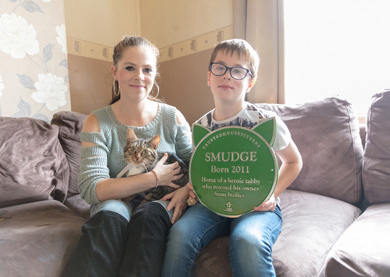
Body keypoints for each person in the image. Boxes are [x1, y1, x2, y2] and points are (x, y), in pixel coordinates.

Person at [161, 39, 303, 277]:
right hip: (210, 205)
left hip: (255, 205)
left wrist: (272, 194)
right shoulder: (201, 126)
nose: (227, 76)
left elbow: (293, 161)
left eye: (238, 70)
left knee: (248, 240)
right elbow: (205, 170)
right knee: (180, 234)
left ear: (250, 82)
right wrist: (190, 189)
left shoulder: (265, 122)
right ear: (209, 77)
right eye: (220, 68)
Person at [62, 35, 193, 277]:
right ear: (115, 71)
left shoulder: (172, 117)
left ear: (154, 74)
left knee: (149, 215)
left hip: (159, 205)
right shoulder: (97, 122)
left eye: (147, 69)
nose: (139, 76)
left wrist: (187, 190)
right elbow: (92, 189)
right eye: (130, 68)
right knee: (108, 215)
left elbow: (197, 164)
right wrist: (153, 178)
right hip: (117, 203)